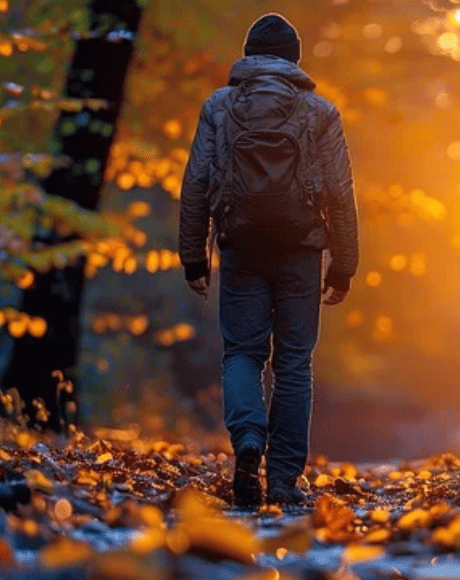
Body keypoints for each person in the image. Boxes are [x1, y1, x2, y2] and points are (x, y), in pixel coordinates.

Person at [178, 13, 359, 507]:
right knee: (295, 363)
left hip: (240, 245)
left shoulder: (220, 105)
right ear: (295, 61)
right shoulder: (319, 111)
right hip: (302, 247)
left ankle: (248, 443)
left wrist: (195, 257)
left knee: (242, 353)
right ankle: (282, 481)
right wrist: (343, 264)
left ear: (248, 54)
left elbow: (195, 181)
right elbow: (340, 194)